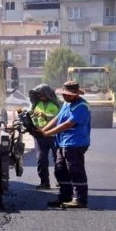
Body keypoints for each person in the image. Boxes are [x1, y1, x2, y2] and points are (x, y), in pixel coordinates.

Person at [39, 81, 91, 209]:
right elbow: (57, 119)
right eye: (64, 94)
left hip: (75, 143)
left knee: (75, 171)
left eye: (69, 95)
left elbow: (68, 124)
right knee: (60, 170)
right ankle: (64, 196)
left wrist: (48, 133)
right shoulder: (67, 104)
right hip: (63, 142)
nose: (66, 97)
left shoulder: (82, 106)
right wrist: (43, 130)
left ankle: (80, 199)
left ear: (76, 94)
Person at [29, 84, 60, 190]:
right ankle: (44, 182)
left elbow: (59, 118)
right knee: (41, 159)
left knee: (58, 159)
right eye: (38, 95)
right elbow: (31, 115)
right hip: (40, 136)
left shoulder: (58, 104)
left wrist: (45, 116)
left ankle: (60, 180)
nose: (40, 97)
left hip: (55, 135)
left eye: (41, 95)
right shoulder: (36, 105)